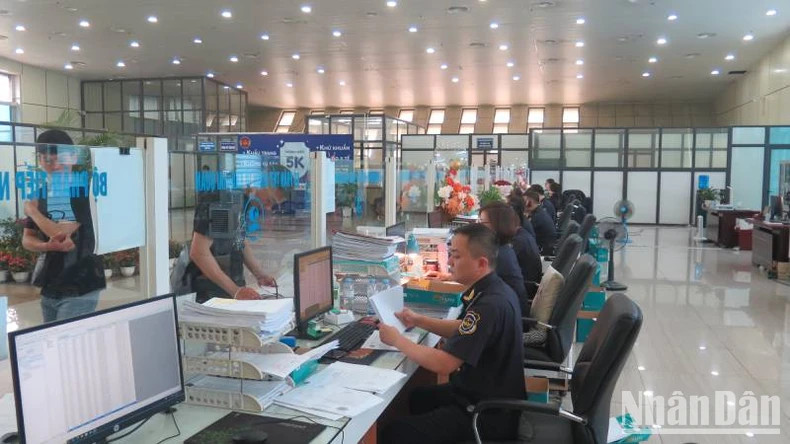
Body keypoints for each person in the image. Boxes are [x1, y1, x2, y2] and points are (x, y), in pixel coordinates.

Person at [378, 224, 525, 443]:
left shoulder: (490, 305)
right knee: (418, 398)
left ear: (481, 263)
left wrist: (397, 339)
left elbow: (444, 364)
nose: (449, 262)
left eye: (456, 256)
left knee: (395, 433)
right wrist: (418, 320)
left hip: (486, 415)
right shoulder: (494, 289)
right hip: (484, 396)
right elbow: (463, 327)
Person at [22, 130, 106, 322]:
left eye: (60, 158)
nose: (56, 165)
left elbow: (61, 234)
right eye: (48, 160)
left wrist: (32, 211)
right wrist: (45, 246)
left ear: (73, 156)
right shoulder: (40, 193)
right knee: (52, 343)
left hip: (81, 284)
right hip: (50, 284)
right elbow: (27, 238)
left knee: (69, 344)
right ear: (40, 161)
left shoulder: (83, 193)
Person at [186, 164, 292, 303]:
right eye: (270, 200)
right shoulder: (222, 199)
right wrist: (235, 291)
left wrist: (259, 275)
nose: (268, 207)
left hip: (230, 289)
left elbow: (239, 240)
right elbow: (198, 252)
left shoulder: (243, 200)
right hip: (209, 294)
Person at [478, 202, 527, 304]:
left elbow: (478, 281)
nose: (478, 227)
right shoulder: (503, 248)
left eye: (482, 223)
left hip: (504, 313)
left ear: (497, 225)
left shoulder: (499, 256)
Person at [525, 189, 557, 255]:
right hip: (544, 246)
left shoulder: (537, 217)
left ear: (529, 202)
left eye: (524, 201)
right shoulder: (539, 211)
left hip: (542, 251)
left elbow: (525, 232)